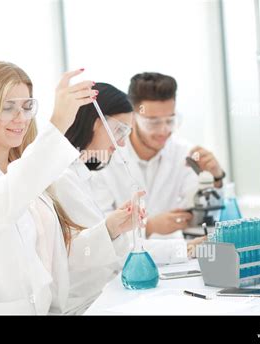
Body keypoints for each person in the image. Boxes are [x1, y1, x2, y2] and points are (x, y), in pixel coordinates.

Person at [0, 62, 136, 315]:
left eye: (26, 106)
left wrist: (110, 229)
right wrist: (57, 125)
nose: (20, 118)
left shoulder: (27, 175)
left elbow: (56, 260)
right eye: (7, 107)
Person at [52, 83, 206, 273]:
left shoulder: (82, 176)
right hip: (87, 296)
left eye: (126, 132)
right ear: (96, 123)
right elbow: (87, 254)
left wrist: (187, 248)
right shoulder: (64, 179)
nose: (122, 142)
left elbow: (118, 248)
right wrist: (113, 227)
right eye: (119, 131)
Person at [91, 73, 226, 240]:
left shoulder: (184, 154)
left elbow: (203, 218)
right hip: (121, 264)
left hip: (175, 259)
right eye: (153, 122)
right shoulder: (105, 157)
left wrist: (216, 178)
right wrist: (149, 227)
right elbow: (97, 231)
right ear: (132, 117)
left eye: (170, 121)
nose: (164, 131)